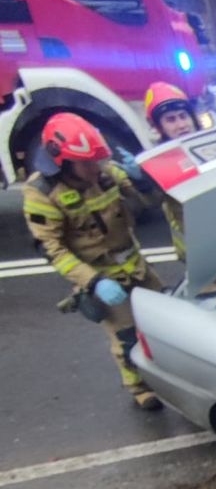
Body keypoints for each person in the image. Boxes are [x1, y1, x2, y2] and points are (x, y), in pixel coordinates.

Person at [23, 113, 165, 410]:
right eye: (86, 163)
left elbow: (150, 204)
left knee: (164, 319)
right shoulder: (42, 195)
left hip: (134, 263)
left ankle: (167, 372)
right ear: (60, 160)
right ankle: (139, 387)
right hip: (102, 275)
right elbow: (53, 250)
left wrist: (146, 180)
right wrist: (94, 282)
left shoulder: (105, 172)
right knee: (126, 336)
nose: (94, 168)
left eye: (96, 160)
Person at [144, 81, 198, 261]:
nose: (181, 124)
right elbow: (150, 200)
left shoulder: (211, 147)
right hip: (195, 255)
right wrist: (142, 181)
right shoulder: (158, 163)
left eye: (183, 116)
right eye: (171, 120)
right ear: (159, 128)